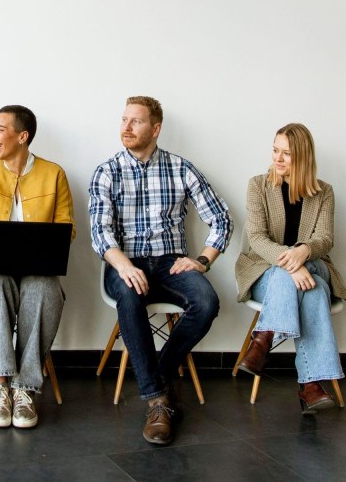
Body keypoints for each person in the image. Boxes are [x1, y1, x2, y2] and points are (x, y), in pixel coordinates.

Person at [88, 96, 233, 445]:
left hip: (171, 261)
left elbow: (222, 219)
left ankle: (162, 375)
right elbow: (99, 232)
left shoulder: (181, 168)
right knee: (129, 293)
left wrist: (201, 260)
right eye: (123, 119)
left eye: (135, 121)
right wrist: (123, 265)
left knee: (207, 301)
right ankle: (157, 401)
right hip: (127, 261)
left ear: (155, 129)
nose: (126, 127)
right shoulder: (107, 171)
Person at [0, 105, 75, 429]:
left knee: (46, 289)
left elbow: (67, 227)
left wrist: (41, 252)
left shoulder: (54, 173)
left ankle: (24, 389)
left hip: (36, 269)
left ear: (22, 136)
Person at [234, 123, 346, 414]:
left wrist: (303, 253)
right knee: (313, 291)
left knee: (305, 276)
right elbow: (257, 238)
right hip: (264, 269)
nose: (278, 158)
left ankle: (264, 338)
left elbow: (325, 239)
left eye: (286, 153)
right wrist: (291, 264)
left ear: (303, 157)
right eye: (275, 150)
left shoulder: (324, 192)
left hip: (313, 264)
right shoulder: (257, 185)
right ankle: (311, 386)